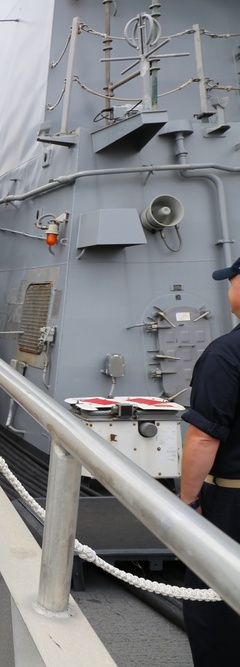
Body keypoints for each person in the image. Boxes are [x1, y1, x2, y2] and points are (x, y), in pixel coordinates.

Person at [179, 257, 240, 665]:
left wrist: (186, 502)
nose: (228, 289)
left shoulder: (226, 354)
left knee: (214, 609)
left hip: (232, 506)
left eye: (232, 281)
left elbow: (203, 438)